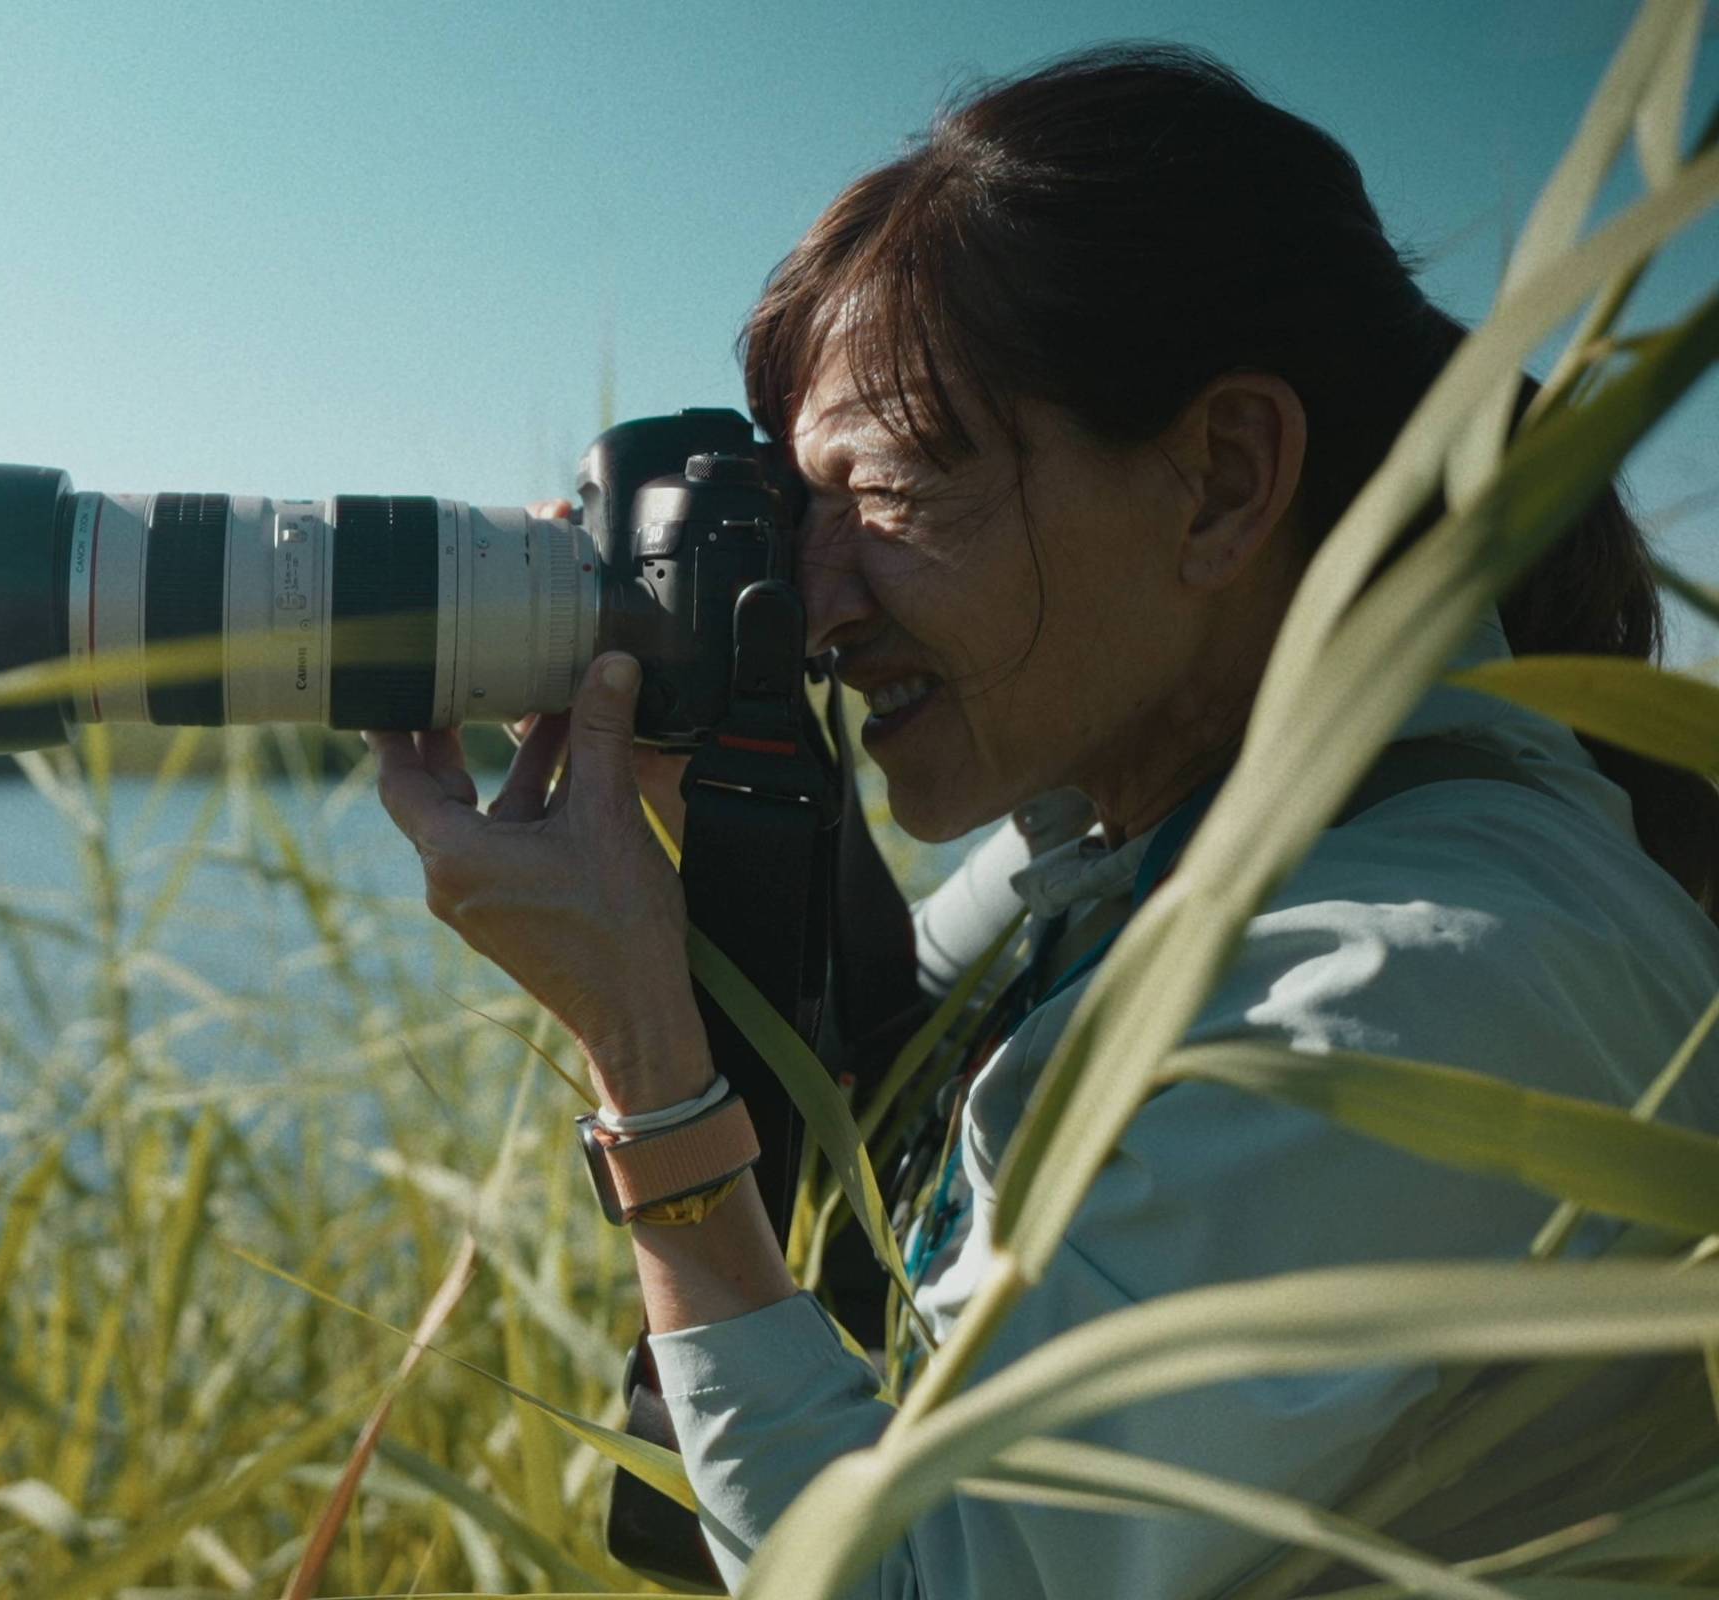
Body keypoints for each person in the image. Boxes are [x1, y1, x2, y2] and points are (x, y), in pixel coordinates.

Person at [365, 44, 1719, 1598]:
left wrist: (651, 1082)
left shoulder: (1402, 979)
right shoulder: (1174, 828)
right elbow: (889, 1054)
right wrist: (699, 739)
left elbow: (908, 1581)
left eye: (882, 497)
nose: (814, 608)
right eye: (797, 522)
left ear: (1220, 480)